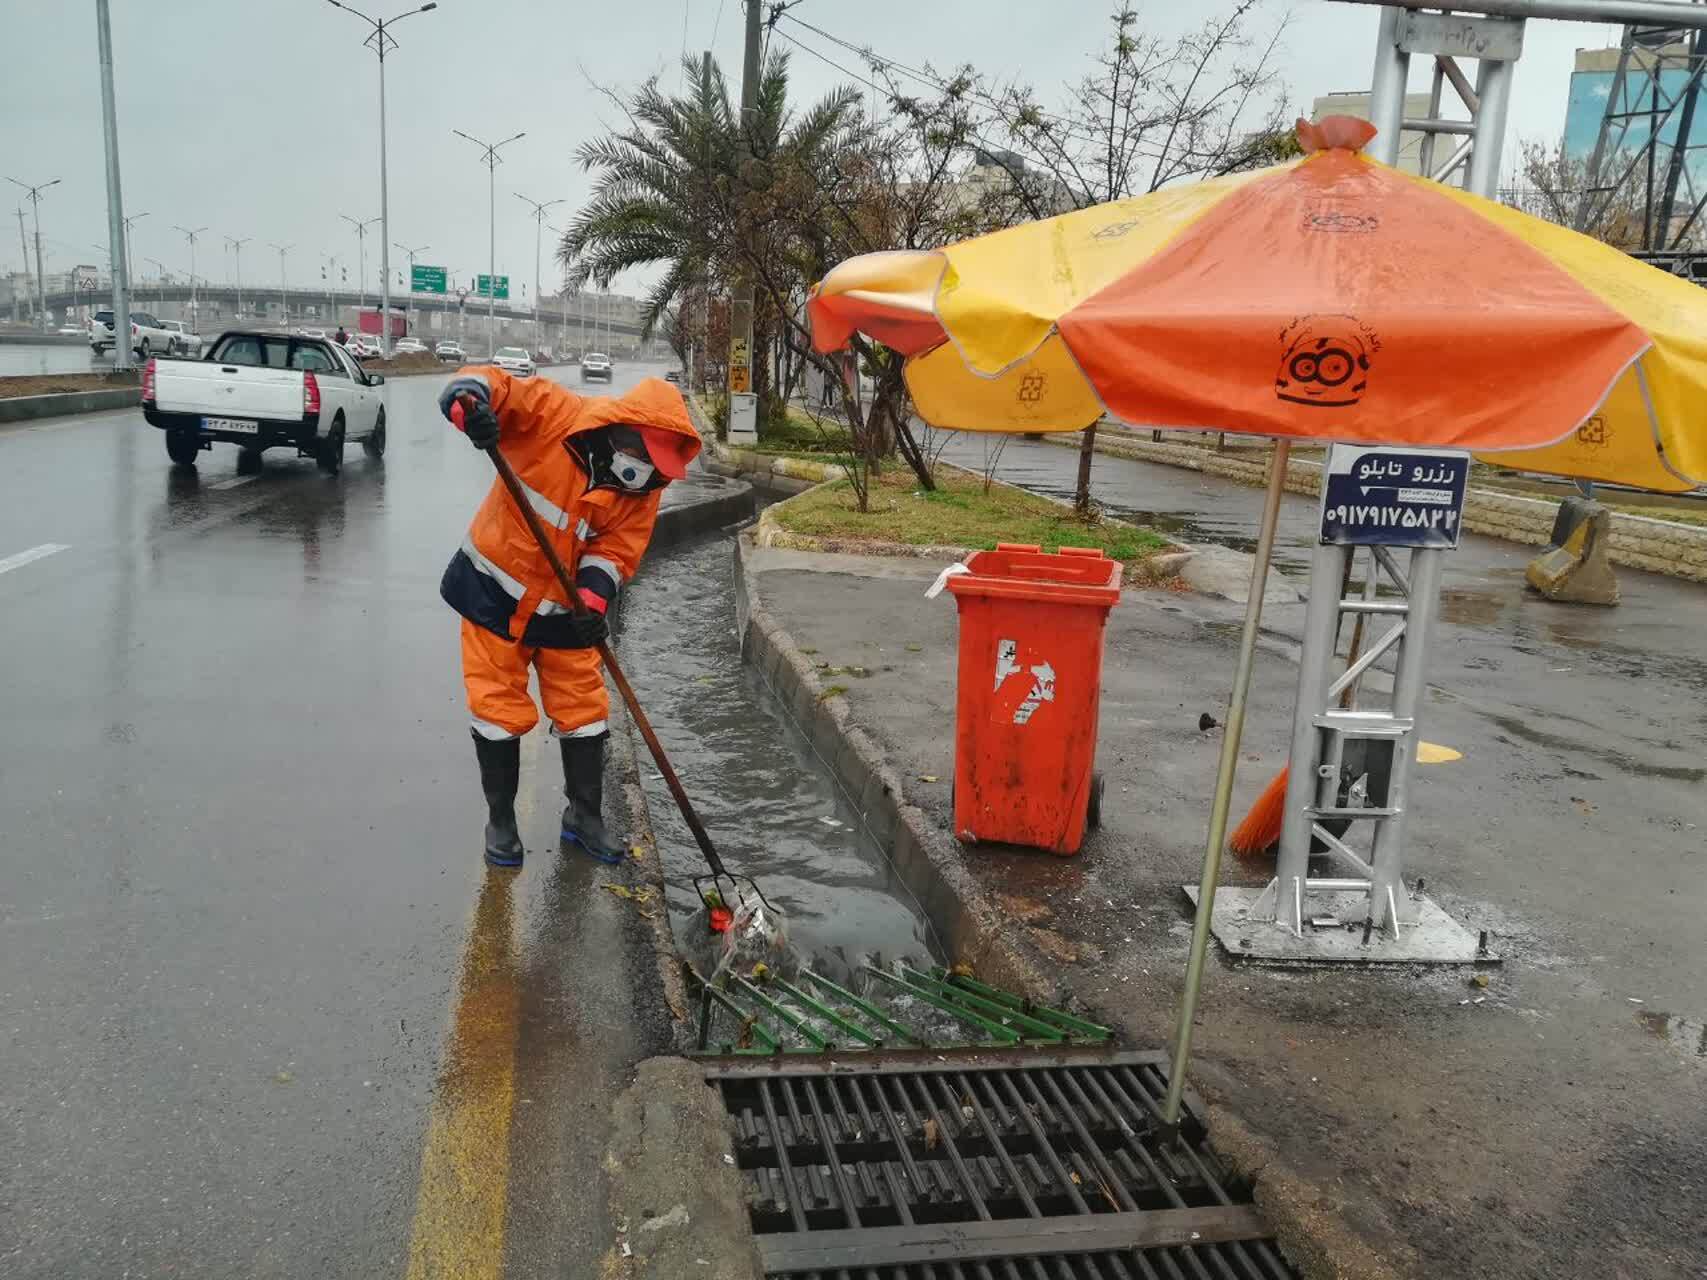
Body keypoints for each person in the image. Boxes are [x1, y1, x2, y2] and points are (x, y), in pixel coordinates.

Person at [437, 367, 701, 869]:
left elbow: (617, 550)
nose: (648, 471)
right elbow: (496, 386)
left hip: (564, 611)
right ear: (626, 429)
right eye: (646, 456)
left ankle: (584, 816)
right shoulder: (556, 416)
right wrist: (468, 402)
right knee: (497, 711)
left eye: (659, 466)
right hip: (493, 594)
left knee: (585, 710)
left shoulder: (646, 487)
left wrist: (593, 604)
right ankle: (501, 821)